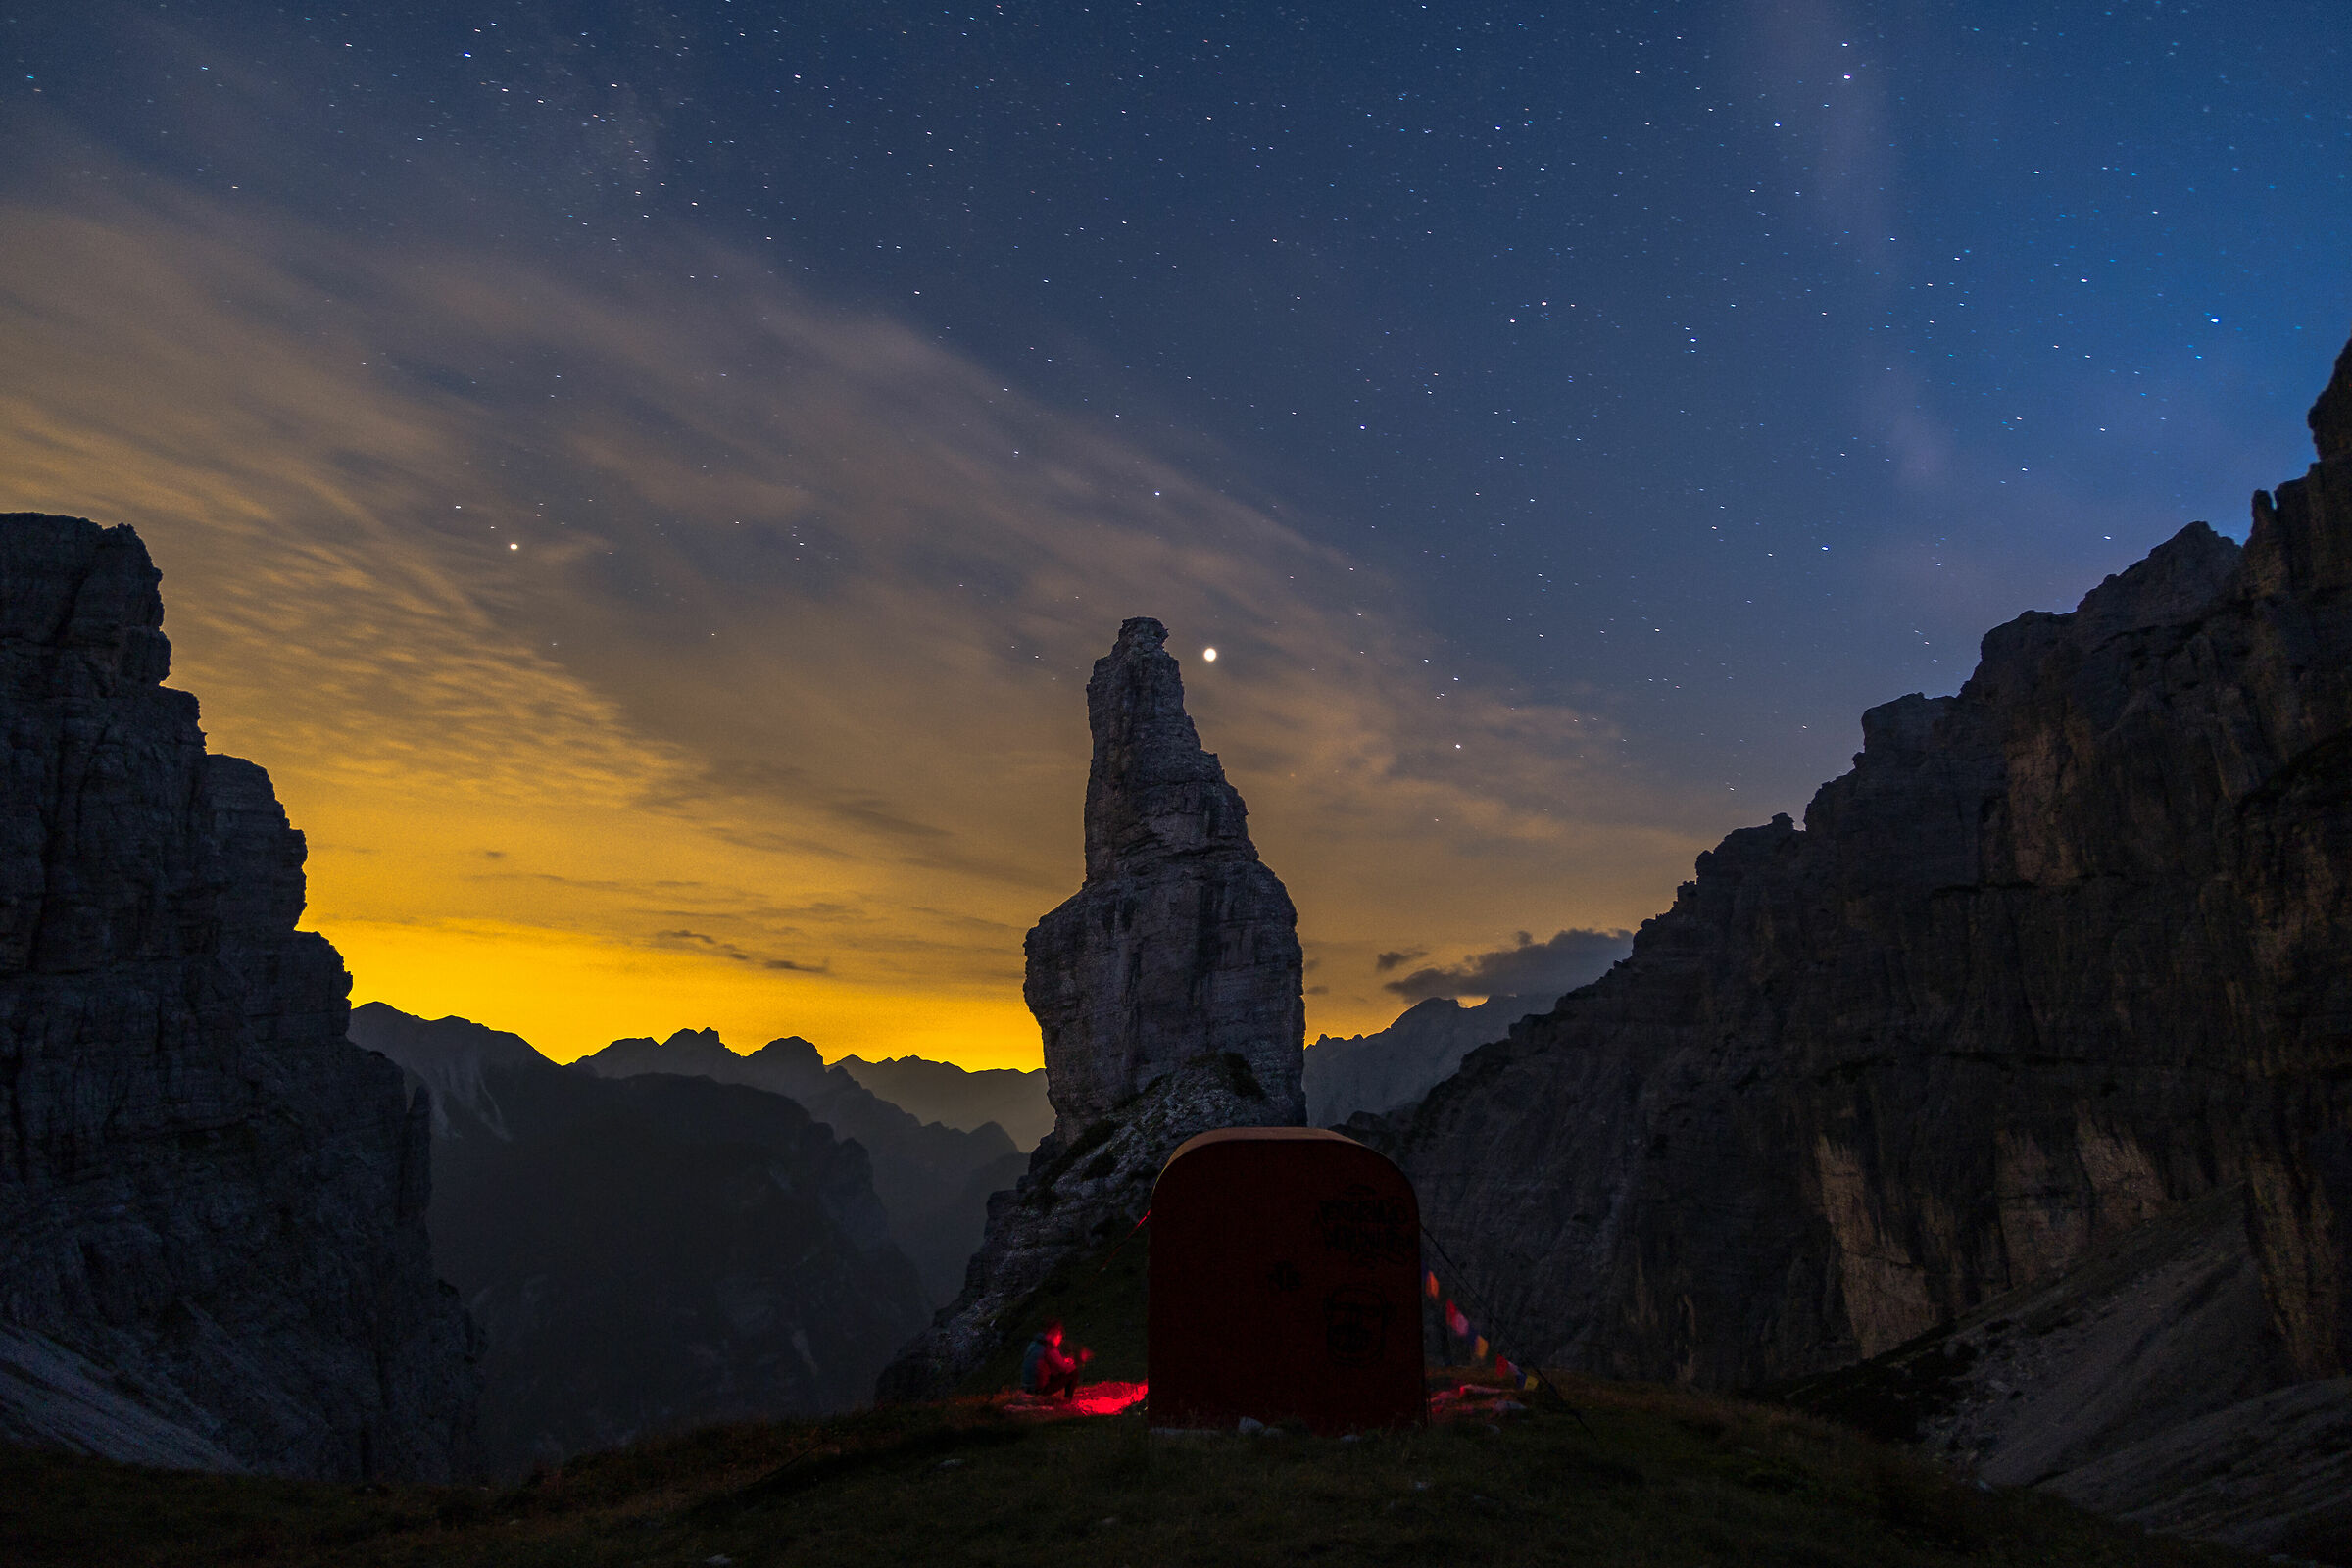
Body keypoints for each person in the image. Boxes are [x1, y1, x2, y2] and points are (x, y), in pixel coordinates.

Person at [1017, 1319, 1092, 1401]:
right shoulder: (1048, 1347)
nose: (1059, 1341)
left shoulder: (1035, 1343)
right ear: (1056, 1334)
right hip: (1039, 1389)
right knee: (1073, 1372)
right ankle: (1067, 1400)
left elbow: (1049, 1363)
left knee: (1057, 1372)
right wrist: (1071, 1363)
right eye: (1060, 1337)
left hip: (1027, 1387)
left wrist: (1063, 1362)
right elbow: (1064, 1368)